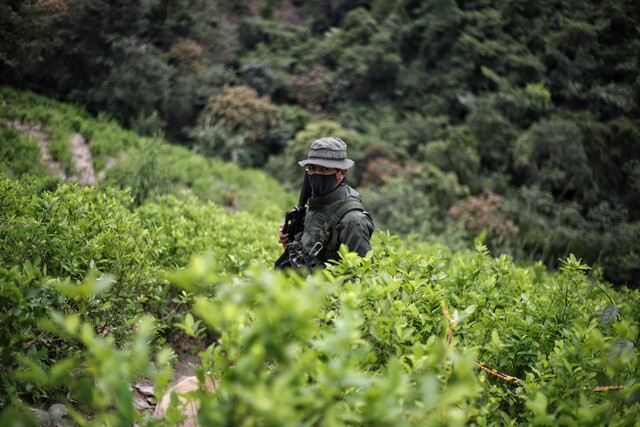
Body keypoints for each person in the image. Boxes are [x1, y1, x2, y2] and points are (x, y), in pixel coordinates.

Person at [278, 137, 374, 268]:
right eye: (312, 168)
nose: (317, 174)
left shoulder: (353, 220)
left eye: (324, 169)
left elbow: (361, 276)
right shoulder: (317, 201)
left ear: (342, 172)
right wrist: (293, 240)